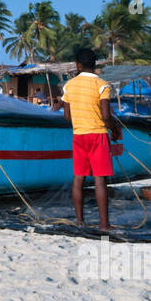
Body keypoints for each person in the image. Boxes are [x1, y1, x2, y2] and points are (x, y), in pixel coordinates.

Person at [55, 48, 121, 230]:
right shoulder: (102, 85)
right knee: (100, 180)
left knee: (78, 178)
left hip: (79, 136)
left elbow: (67, 117)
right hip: (98, 135)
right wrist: (115, 130)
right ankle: (104, 224)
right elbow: (106, 115)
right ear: (94, 64)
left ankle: (79, 221)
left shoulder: (69, 86)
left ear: (78, 65)